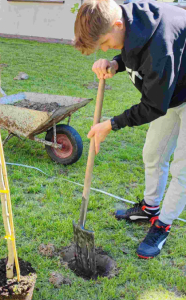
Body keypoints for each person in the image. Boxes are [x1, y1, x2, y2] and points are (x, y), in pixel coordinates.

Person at [74, 0, 186, 259]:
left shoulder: (161, 45)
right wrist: (115, 62)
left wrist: (112, 124)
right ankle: (150, 208)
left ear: (117, 24)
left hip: (171, 92)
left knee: (182, 168)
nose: (104, 49)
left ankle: (163, 224)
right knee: (153, 153)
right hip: (172, 89)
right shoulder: (128, 17)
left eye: (105, 43)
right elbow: (131, 50)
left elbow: (153, 106)